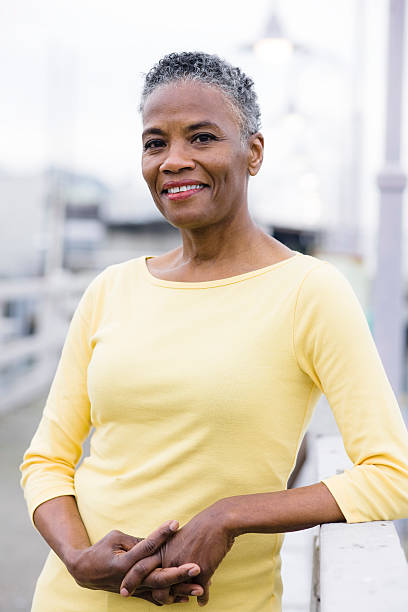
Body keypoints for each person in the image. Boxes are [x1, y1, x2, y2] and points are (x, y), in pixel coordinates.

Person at [21, 51, 408, 612]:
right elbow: (46, 461)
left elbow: (392, 474)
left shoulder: (308, 291)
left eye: (202, 137)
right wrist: (78, 557)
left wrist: (230, 515)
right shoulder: (111, 288)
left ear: (253, 153)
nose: (174, 160)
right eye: (156, 143)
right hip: (72, 599)